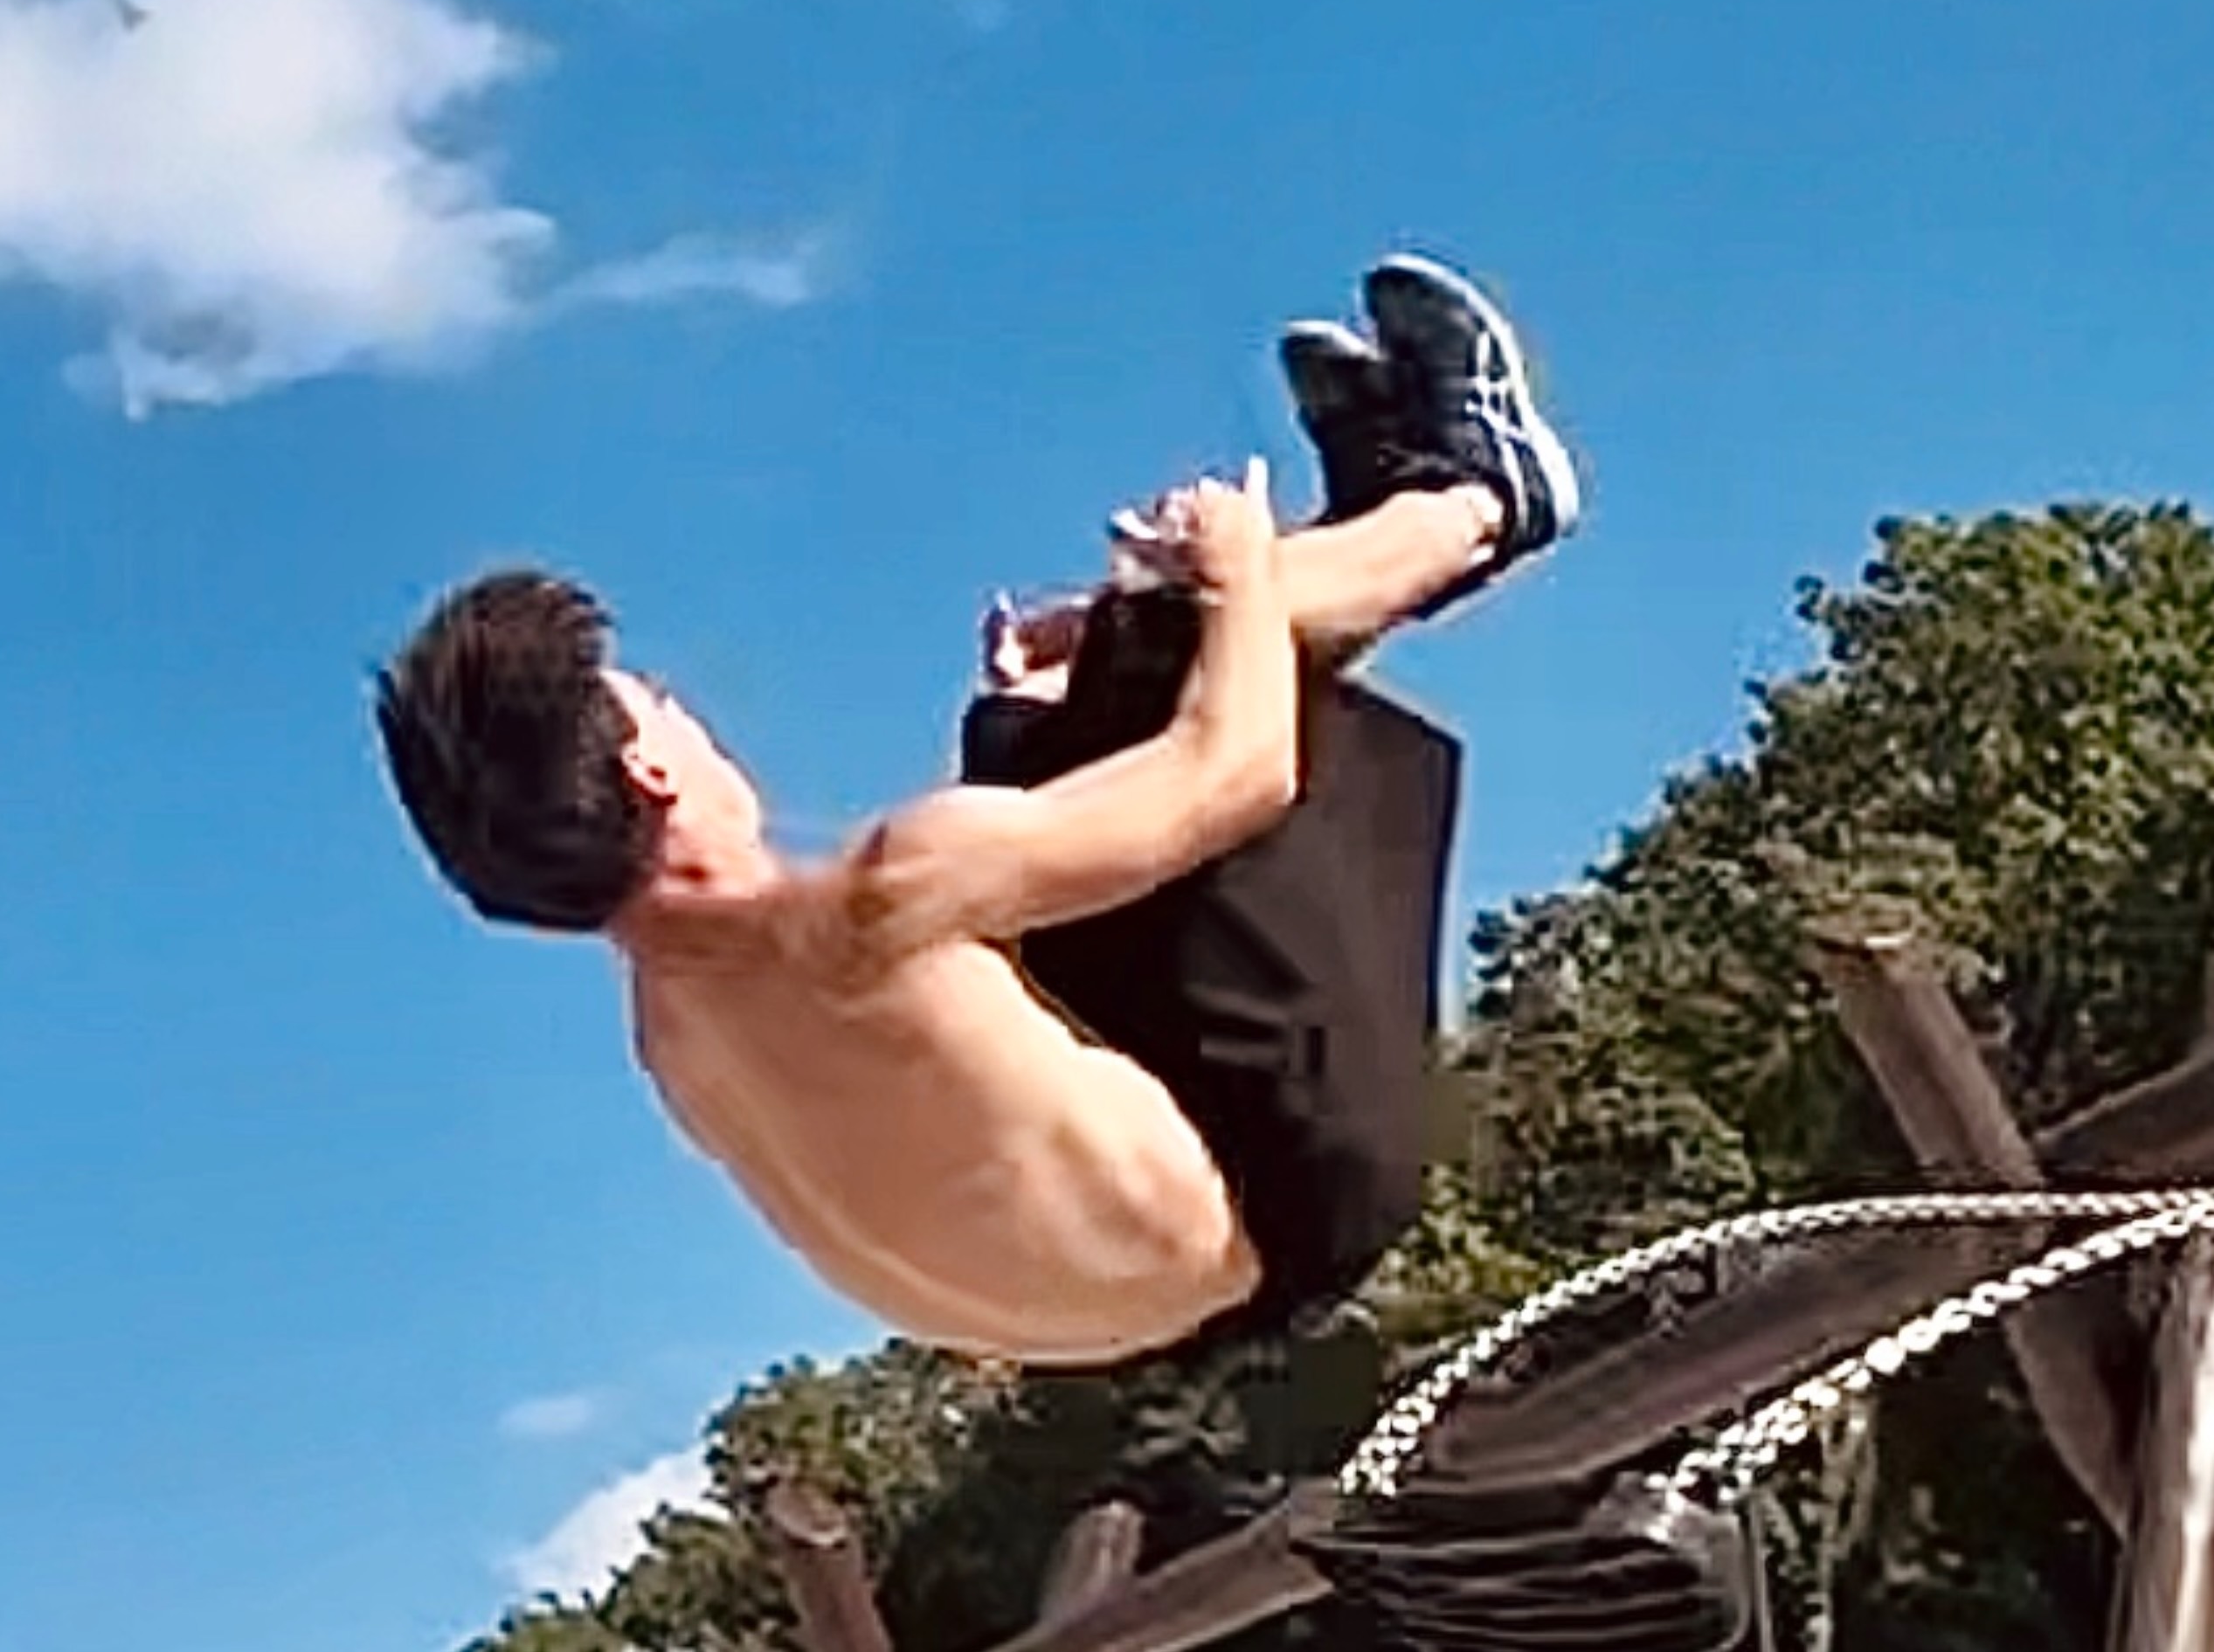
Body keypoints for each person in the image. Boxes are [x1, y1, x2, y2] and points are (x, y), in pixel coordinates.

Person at [371, 258, 1578, 1366]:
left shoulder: (676, 1036)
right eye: (664, 705)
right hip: (1301, 1192)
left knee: (1030, 735)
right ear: (651, 771)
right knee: (1175, 641)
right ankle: (1478, 496)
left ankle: (1371, 513)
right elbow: (1240, 771)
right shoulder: (881, 899)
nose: (692, 717)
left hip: (1158, 1329)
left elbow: (973, 1057)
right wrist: (1234, 568)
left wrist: (1053, 693)